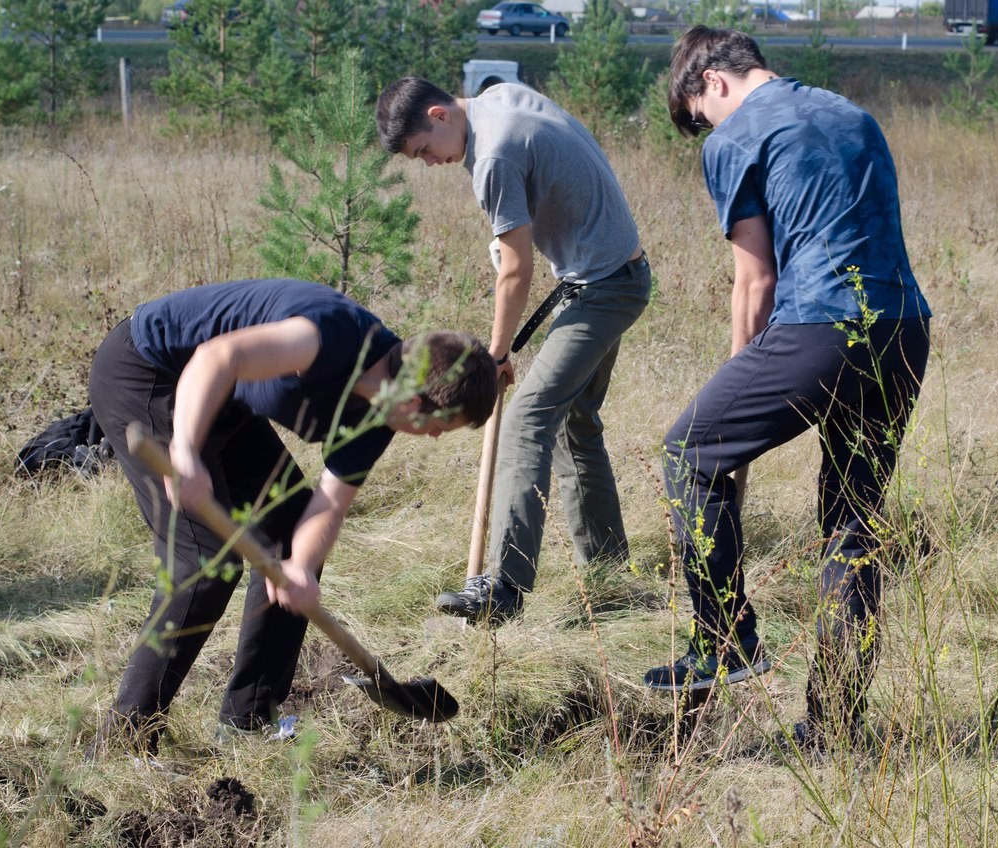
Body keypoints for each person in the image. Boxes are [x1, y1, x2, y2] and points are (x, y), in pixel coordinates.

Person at [645, 28, 932, 749]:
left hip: (821, 326)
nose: (705, 130)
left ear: (711, 81)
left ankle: (726, 639)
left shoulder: (736, 135)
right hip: (902, 328)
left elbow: (757, 280)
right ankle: (833, 730)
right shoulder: (852, 114)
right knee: (854, 527)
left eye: (698, 115)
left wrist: (735, 401)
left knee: (690, 451)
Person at [88, 278, 497, 755]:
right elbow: (216, 359)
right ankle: (125, 740)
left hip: (224, 403)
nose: (432, 439)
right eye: (438, 427)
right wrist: (185, 449)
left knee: (290, 533)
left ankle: (248, 718)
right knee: (203, 563)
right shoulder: (326, 336)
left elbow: (329, 503)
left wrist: (300, 565)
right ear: (412, 401)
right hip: (150, 372)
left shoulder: (377, 418)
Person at [375, 77, 651, 625]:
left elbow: (517, 269)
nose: (430, 163)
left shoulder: (492, 154)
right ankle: (611, 575)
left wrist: (494, 355)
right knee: (575, 421)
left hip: (602, 289)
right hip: (614, 274)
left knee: (526, 415)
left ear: (440, 113)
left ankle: (502, 588)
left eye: (425, 149)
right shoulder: (497, 96)